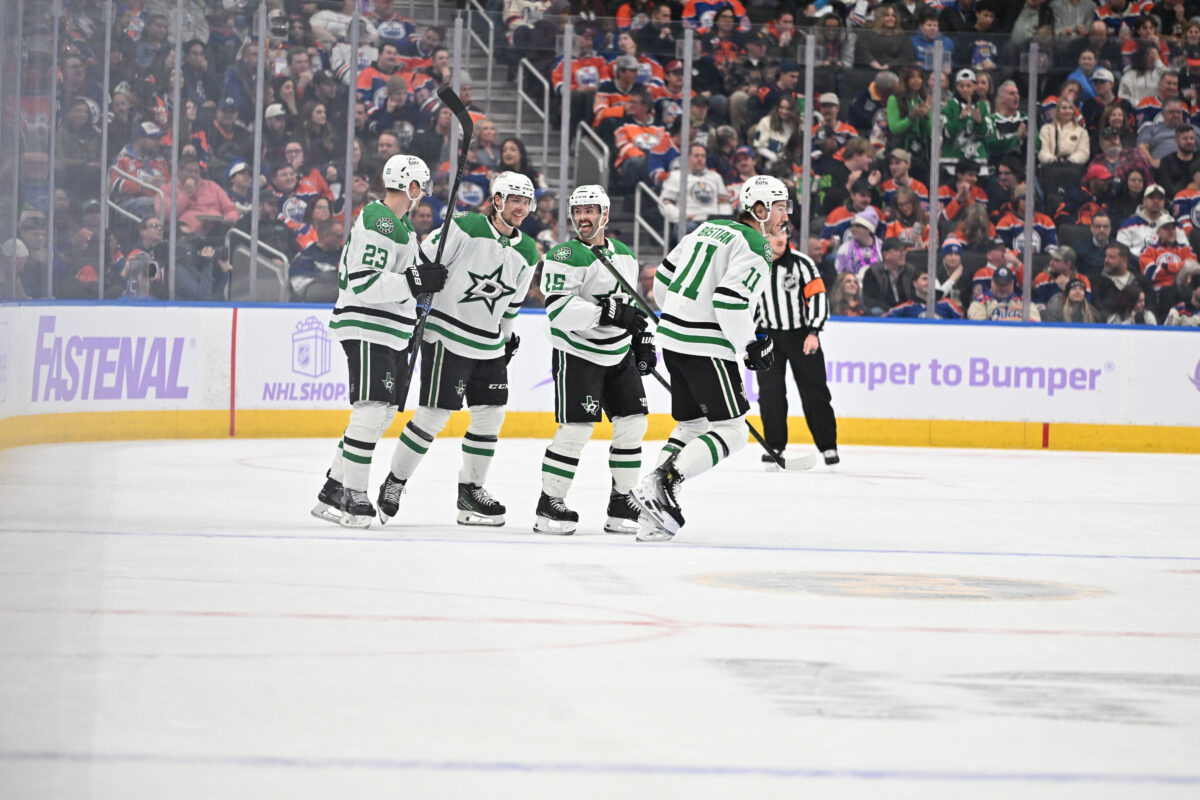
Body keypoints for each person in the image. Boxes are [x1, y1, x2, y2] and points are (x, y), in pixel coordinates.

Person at [631, 176, 788, 542]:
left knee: (691, 427)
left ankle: (651, 516)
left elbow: (662, 281)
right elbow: (730, 301)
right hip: (706, 345)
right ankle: (665, 481)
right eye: (780, 207)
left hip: (672, 338)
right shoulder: (755, 245)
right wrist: (750, 345)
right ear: (760, 209)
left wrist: (680, 314)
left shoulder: (707, 228)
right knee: (732, 431)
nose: (785, 215)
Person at [383, 172, 540, 527]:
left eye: (526, 201)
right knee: (433, 416)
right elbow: (421, 260)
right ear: (497, 200)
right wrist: (425, 280)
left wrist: (508, 336)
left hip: (488, 343)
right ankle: (395, 481)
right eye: (515, 199)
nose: (521, 207)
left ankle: (471, 491)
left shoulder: (528, 250)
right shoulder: (465, 225)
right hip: (447, 335)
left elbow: (512, 302)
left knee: (491, 415)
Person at [311, 154, 443, 528]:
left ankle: (334, 488)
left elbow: (406, 279)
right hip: (369, 325)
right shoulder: (381, 219)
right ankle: (353, 496)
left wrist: (425, 277)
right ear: (412, 187)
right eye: (422, 188)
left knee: (382, 412)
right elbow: (365, 282)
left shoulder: (400, 227)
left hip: (389, 329)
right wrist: (415, 282)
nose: (423, 197)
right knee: (371, 409)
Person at [533, 185, 654, 535]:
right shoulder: (563, 255)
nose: (584, 217)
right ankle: (549, 503)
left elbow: (631, 307)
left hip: (618, 353)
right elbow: (558, 310)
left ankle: (622, 501)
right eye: (579, 211)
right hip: (578, 352)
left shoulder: (626, 256)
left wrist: (641, 339)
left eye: (591, 211)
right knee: (576, 429)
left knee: (633, 423)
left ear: (605, 214)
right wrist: (608, 313)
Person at [754, 227, 839, 470]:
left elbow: (818, 296)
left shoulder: (803, 263)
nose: (779, 240)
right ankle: (775, 445)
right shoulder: (754, 263)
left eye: (783, 235)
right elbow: (747, 301)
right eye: (772, 236)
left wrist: (814, 332)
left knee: (815, 391)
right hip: (768, 335)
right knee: (770, 393)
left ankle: (828, 445)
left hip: (802, 334)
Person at [967, 265, 1042, 320]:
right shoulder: (980, 302)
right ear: (992, 283)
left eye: (1006, 284)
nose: (1002, 288)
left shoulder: (1024, 302)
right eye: (999, 284)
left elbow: (1034, 326)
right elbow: (978, 329)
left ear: (1012, 284)